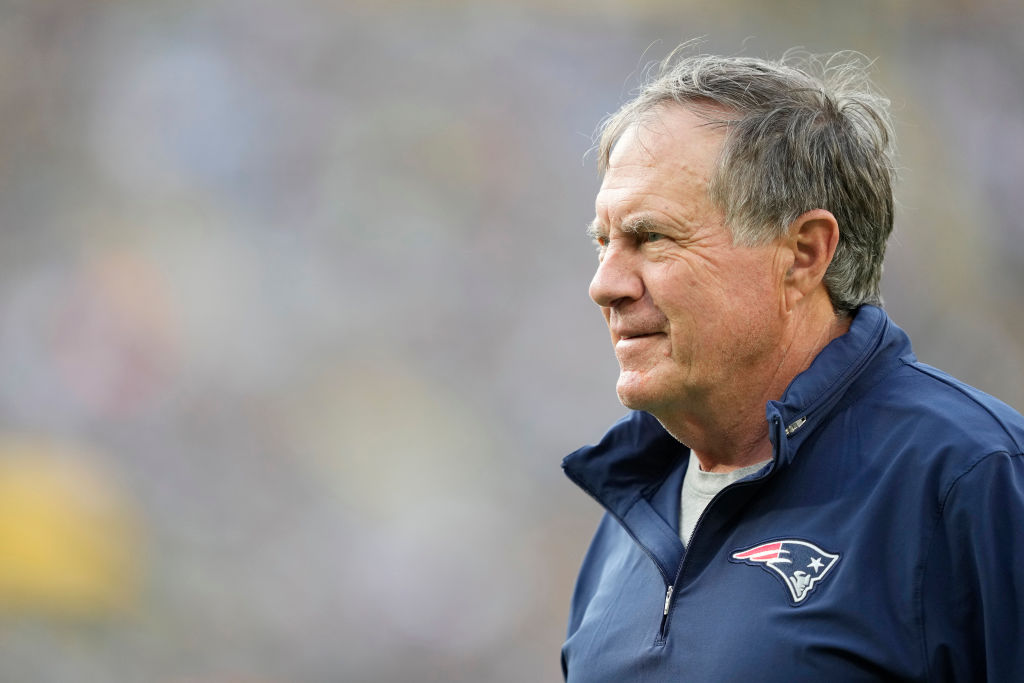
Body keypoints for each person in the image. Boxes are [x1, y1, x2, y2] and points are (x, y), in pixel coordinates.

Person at [561, 47, 1024, 682]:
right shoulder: (630, 517)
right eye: (603, 242)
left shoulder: (972, 477)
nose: (605, 283)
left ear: (804, 254)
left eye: (652, 238)